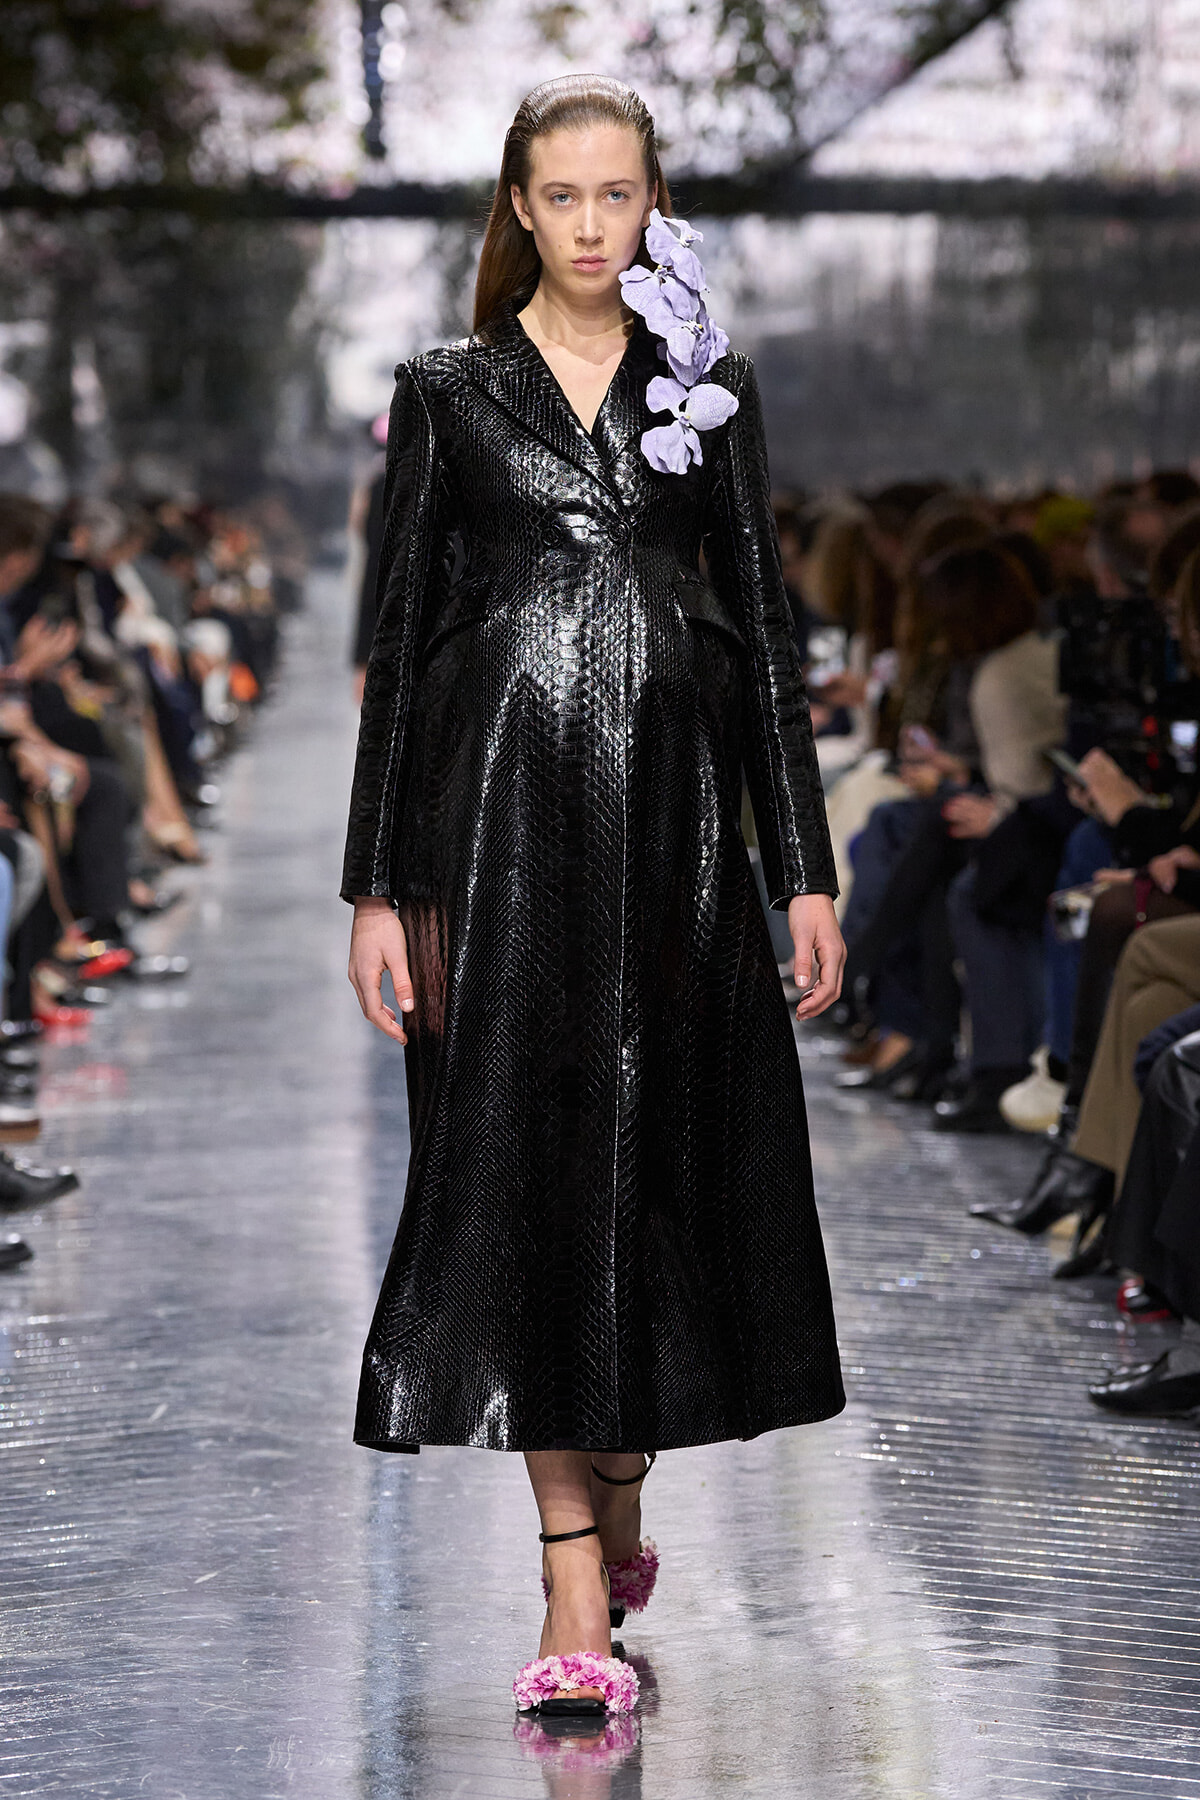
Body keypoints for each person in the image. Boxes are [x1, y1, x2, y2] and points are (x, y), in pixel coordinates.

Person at [342, 74, 846, 1721]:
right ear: (517, 208)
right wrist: (376, 889)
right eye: (556, 196)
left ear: (652, 205)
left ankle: (613, 1510)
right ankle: (572, 1574)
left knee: (661, 1169)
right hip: (490, 839)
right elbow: (400, 659)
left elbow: (766, 634)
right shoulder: (449, 391)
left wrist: (810, 871)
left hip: (684, 841)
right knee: (529, 1165)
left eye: (614, 195)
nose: (584, 225)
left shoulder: (711, 383)